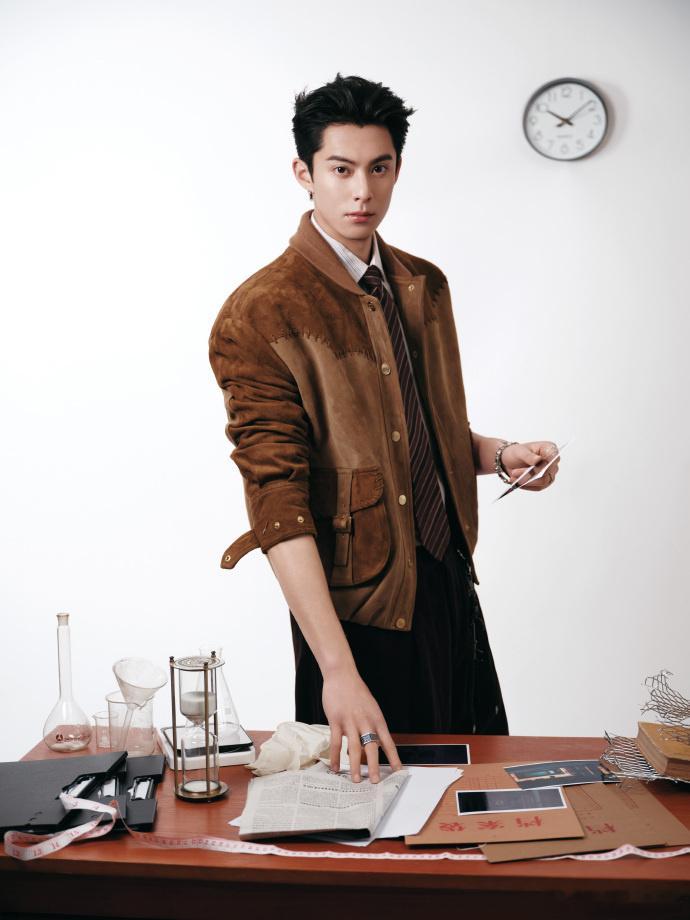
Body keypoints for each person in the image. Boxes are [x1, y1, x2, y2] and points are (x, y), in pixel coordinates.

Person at [208, 73, 560, 785]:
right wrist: (337, 671)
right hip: (360, 617)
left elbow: (421, 436)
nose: (362, 191)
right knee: (374, 817)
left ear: (398, 167)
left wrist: (500, 455)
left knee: (476, 798)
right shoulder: (260, 313)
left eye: (379, 168)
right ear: (305, 173)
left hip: (448, 584)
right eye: (341, 170)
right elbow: (277, 501)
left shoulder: (424, 285)